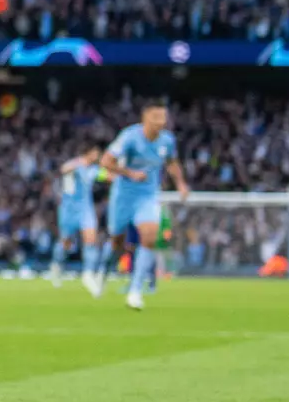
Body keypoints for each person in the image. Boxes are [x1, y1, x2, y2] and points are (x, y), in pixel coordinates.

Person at [99, 101, 190, 311]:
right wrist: (130, 174)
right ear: (145, 118)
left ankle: (135, 291)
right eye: (156, 118)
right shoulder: (130, 136)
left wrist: (181, 184)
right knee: (117, 242)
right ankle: (103, 272)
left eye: (163, 118)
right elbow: (106, 161)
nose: (161, 122)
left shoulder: (167, 140)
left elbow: (172, 162)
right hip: (123, 196)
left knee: (149, 237)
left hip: (148, 196)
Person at [49, 147, 108, 296]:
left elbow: (106, 176)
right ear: (87, 153)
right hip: (68, 210)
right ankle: (57, 265)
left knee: (91, 239)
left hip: (85, 210)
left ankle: (88, 274)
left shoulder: (94, 170)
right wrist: (77, 163)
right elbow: (64, 169)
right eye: (95, 152)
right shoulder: (76, 165)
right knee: (66, 243)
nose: (97, 155)